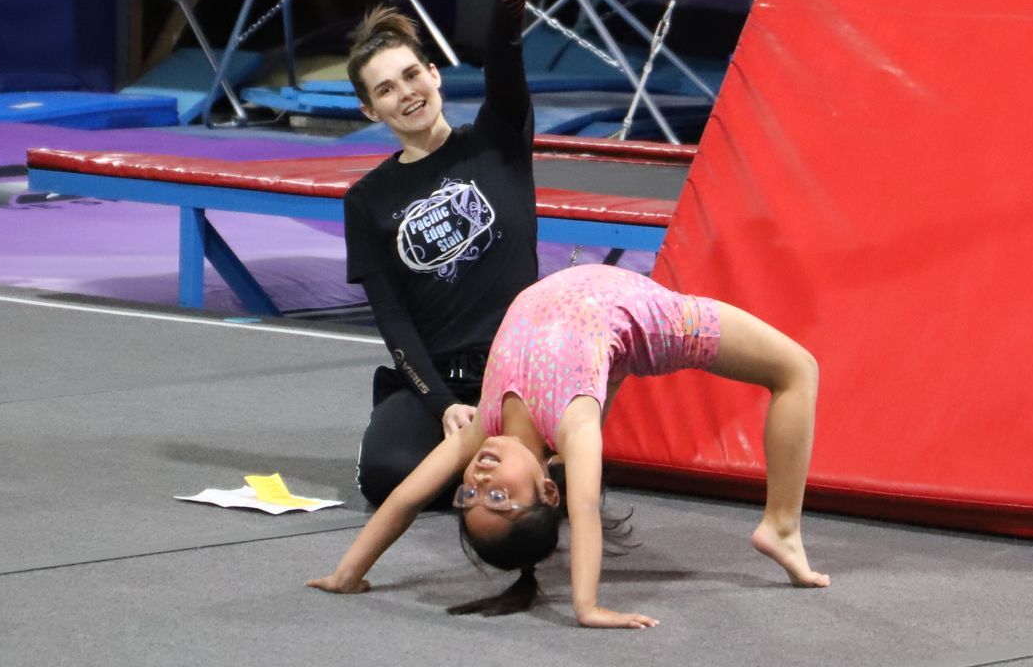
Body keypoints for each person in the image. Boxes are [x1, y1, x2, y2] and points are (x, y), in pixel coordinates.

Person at [307, 263, 827, 628]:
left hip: (598, 314)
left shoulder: (482, 427)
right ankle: (780, 527)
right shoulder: (575, 423)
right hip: (656, 320)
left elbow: (406, 497)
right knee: (797, 369)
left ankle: (612, 365)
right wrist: (587, 606)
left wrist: (347, 574)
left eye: (467, 498)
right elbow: (585, 508)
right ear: (546, 492)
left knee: (607, 364)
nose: (478, 484)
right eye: (499, 499)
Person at [342, 0, 540, 506]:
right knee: (387, 475)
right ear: (371, 111)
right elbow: (394, 320)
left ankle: (484, 465)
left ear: (434, 72)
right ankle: (460, 455)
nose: (406, 95)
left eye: (410, 75)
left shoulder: (497, 140)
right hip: (439, 379)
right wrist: (444, 404)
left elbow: (505, 49)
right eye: (385, 90)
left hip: (517, 375)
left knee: (541, 488)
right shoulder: (368, 201)